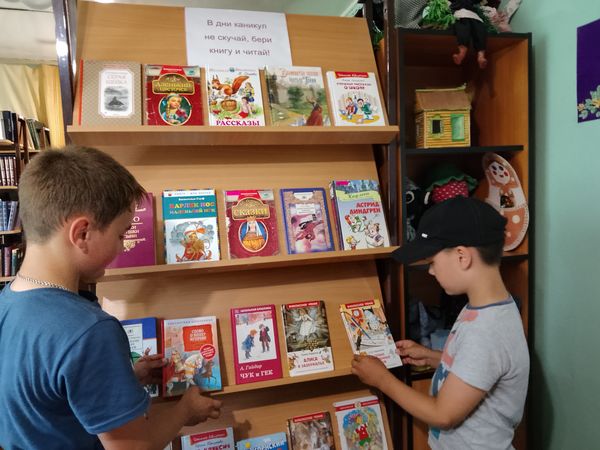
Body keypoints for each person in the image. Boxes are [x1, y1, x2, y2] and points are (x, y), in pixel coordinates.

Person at [0, 147, 222, 450]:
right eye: (121, 234)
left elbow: (45, 399)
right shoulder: (89, 330)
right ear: (82, 233)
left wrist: (125, 379)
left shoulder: (7, 302)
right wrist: (184, 411)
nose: (122, 247)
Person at [351, 196, 529, 449]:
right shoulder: (488, 308)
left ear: (462, 256)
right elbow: (480, 367)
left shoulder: (486, 331)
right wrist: (432, 356)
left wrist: (382, 379)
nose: (431, 271)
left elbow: (443, 415)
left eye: (432, 262)